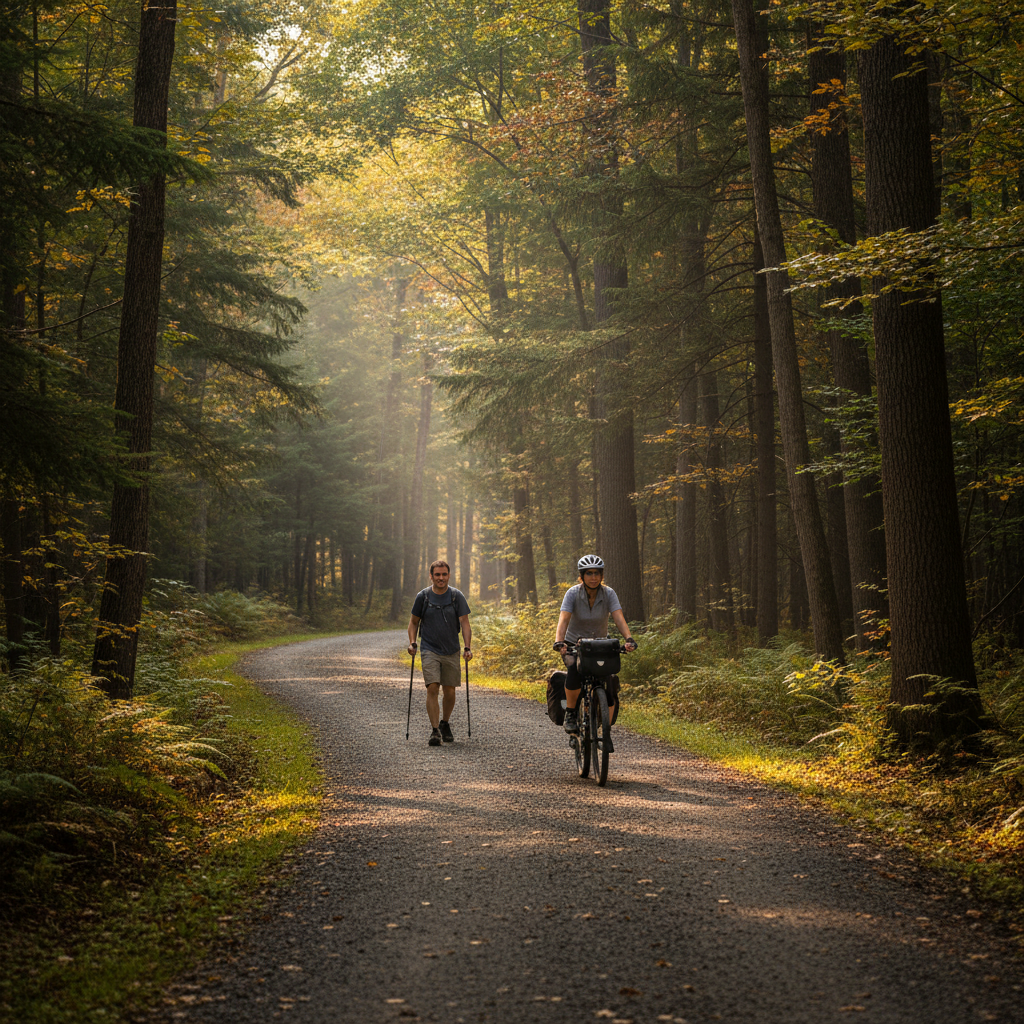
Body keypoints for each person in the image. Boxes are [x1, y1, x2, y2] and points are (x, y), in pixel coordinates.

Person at [553, 554, 637, 734]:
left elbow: (619, 618)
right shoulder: (572, 593)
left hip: (599, 644)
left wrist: (628, 639)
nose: (593, 577)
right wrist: (559, 642)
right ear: (581, 576)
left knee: (608, 678)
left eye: (597, 573)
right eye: (589, 573)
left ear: (602, 575)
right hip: (573, 642)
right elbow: (564, 620)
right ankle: (571, 713)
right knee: (575, 670)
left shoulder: (609, 594)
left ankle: (605, 725)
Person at [407, 560, 472, 746]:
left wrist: (467, 647)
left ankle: (445, 723)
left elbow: (465, 623)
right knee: (433, 687)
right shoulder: (423, 597)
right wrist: (412, 642)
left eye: (444, 574)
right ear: (431, 576)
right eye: (437, 575)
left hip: (451, 649)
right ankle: (435, 730)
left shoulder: (456, 596)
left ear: (449, 575)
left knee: (450, 691)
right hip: (429, 649)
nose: (441, 578)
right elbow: (413, 622)